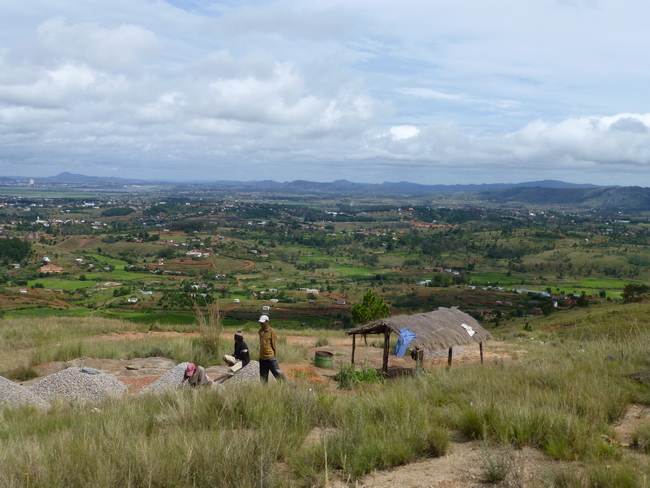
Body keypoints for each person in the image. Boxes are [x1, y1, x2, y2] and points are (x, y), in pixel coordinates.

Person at [257, 314, 285, 382]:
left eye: (263, 323)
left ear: (267, 322)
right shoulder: (260, 331)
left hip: (270, 356)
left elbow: (274, 344)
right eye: (260, 323)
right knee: (263, 376)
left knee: (276, 372)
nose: (261, 324)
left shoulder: (271, 331)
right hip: (262, 357)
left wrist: (274, 354)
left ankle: (284, 383)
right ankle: (264, 389)